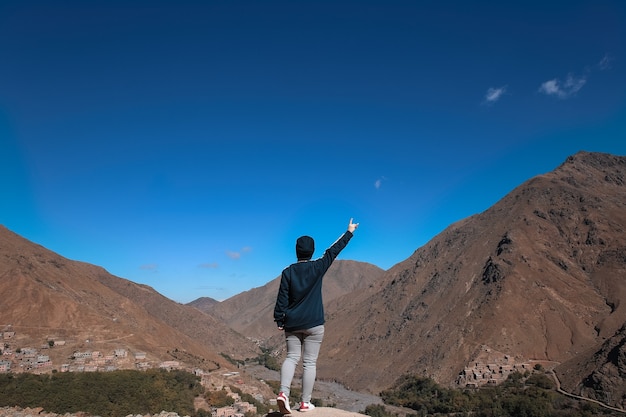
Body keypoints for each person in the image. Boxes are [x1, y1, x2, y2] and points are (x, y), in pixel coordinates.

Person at [274, 218, 359, 414]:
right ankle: (305, 403)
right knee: (309, 362)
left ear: (296, 251)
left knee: (292, 357)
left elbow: (281, 299)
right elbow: (333, 251)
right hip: (314, 323)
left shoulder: (287, 272)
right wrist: (349, 232)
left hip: (292, 324)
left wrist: (280, 319)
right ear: (311, 252)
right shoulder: (318, 267)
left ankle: (283, 393)